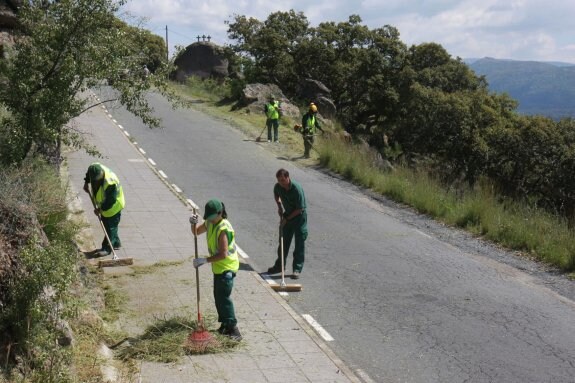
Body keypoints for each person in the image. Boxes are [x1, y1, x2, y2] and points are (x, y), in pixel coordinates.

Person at [190, 199, 242, 340]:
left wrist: (204, 260)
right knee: (218, 297)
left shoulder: (223, 228)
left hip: (227, 268)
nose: (210, 220)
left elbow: (223, 254)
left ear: (219, 213)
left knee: (223, 298)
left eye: (212, 217)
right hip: (218, 268)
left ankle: (233, 329)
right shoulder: (209, 223)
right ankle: (224, 325)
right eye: (208, 217)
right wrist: (192, 223)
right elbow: (196, 232)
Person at [267, 168, 308, 279]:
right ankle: (279, 266)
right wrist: (279, 206)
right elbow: (276, 194)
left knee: (299, 243)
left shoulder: (296, 189)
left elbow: (300, 209)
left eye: (283, 180)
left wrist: (286, 219)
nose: (281, 183)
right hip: (288, 214)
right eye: (279, 180)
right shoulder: (278, 187)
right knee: (283, 242)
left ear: (288, 177)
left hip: (299, 217)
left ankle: (296, 269)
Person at [83, 162, 125, 256]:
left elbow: (110, 201)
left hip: (113, 205)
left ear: (101, 175)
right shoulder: (93, 168)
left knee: (110, 227)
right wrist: (86, 182)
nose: (95, 182)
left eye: (97, 180)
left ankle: (107, 248)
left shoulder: (110, 183)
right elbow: (89, 174)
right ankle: (116, 242)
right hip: (104, 203)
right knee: (109, 225)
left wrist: (100, 210)